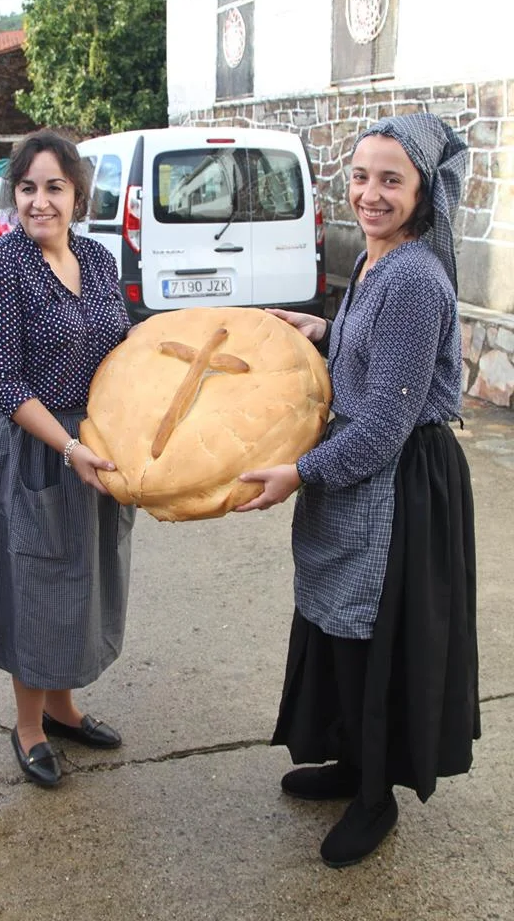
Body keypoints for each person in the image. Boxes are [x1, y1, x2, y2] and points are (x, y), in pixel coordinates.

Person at [237, 113, 479, 867]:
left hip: (399, 484)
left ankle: (377, 799)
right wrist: (324, 330)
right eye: (362, 176)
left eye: (391, 181)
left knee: (375, 641)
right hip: (361, 472)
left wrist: (295, 475)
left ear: (423, 194)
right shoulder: (379, 263)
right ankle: (350, 763)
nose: (370, 194)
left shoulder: (412, 278)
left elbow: (383, 424)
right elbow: (376, 357)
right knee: (339, 628)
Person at [0, 129, 135, 788]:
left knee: (87, 576)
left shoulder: (98, 258)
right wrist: (69, 446)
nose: (40, 202)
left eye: (54, 187)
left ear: (77, 195)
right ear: (15, 194)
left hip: (97, 441)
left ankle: (63, 707)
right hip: (34, 446)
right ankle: (28, 726)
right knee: (35, 586)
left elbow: (123, 344)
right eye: (27, 187)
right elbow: (1, 382)